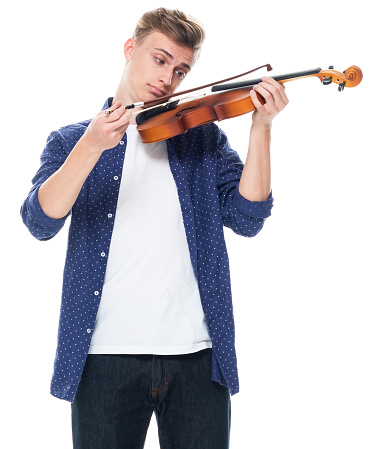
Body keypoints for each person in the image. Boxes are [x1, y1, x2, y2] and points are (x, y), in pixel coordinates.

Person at [21, 7, 288, 449]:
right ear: (131, 49)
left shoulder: (200, 138)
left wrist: (261, 128)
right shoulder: (71, 140)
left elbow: (248, 218)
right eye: (160, 59)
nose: (167, 78)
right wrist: (90, 146)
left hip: (197, 358)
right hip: (105, 357)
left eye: (181, 70)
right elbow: (39, 222)